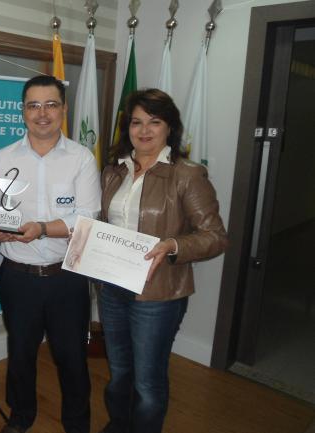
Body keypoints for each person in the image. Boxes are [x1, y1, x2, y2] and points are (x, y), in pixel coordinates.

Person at [98, 88, 228, 433]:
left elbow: (216, 236)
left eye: (154, 122)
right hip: (112, 288)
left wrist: (172, 244)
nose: (144, 130)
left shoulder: (188, 175)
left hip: (158, 296)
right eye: (137, 122)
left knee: (147, 383)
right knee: (119, 372)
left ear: (170, 127)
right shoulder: (114, 171)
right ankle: (119, 425)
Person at [0, 75, 101, 433]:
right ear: (23, 111)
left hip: (67, 277)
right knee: (20, 354)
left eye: (51, 104)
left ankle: (78, 424)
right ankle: (20, 418)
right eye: (33, 105)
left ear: (63, 109)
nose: (42, 113)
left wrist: (43, 228)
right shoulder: (3, 158)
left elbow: (88, 217)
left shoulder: (81, 159)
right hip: (17, 277)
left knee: (72, 359)